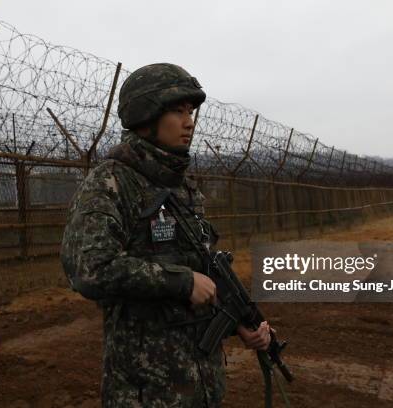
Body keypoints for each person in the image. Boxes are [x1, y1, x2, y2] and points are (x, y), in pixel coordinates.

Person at [61, 63, 271, 407]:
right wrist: (181, 281)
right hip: (146, 392)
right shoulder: (113, 182)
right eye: (177, 111)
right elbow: (87, 268)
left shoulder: (183, 188)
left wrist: (237, 324)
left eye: (190, 112)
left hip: (201, 387)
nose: (189, 121)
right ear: (146, 116)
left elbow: (201, 272)